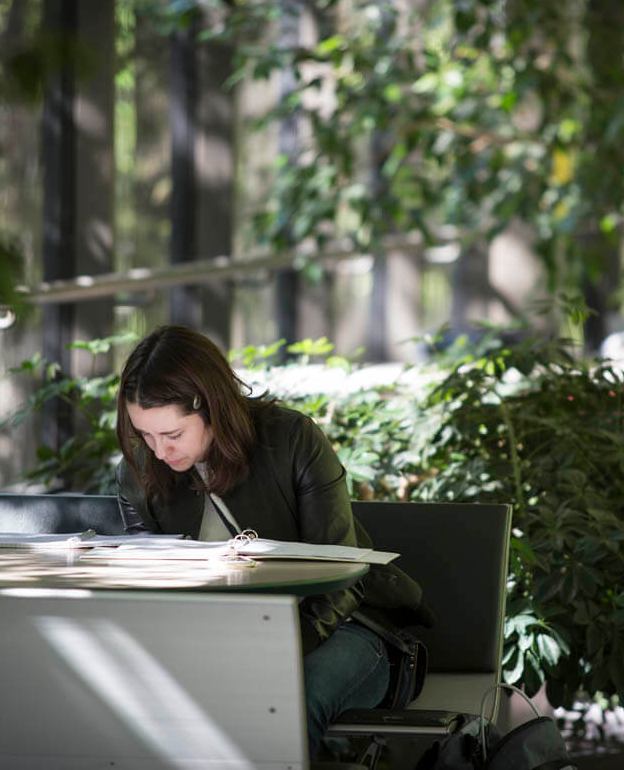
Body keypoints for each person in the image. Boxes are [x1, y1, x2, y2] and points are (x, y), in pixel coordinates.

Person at [114, 324, 433, 757]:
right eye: (145, 435)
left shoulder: (291, 440)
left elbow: (343, 576)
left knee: (282, 705)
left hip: (344, 627)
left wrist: (266, 652)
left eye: (172, 435)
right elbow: (152, 586)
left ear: (212, 408)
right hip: (222, 641)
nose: (159, 452)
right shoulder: (140, 470)